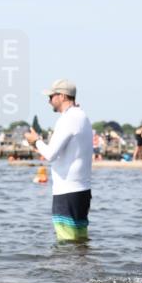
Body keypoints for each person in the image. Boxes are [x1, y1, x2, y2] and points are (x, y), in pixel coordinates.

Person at [24, 79, 93, 242]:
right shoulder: (81, 116)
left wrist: (36, 140)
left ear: (62, 96)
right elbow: (63, 153)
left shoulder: (69, 118)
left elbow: (50, 154)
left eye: (51, 96)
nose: (48, 101)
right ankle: (82, 267)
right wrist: (37, 144)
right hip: (81, 190)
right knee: (79, 240)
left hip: (67, 191)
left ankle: (67, 269)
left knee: (67, 242)